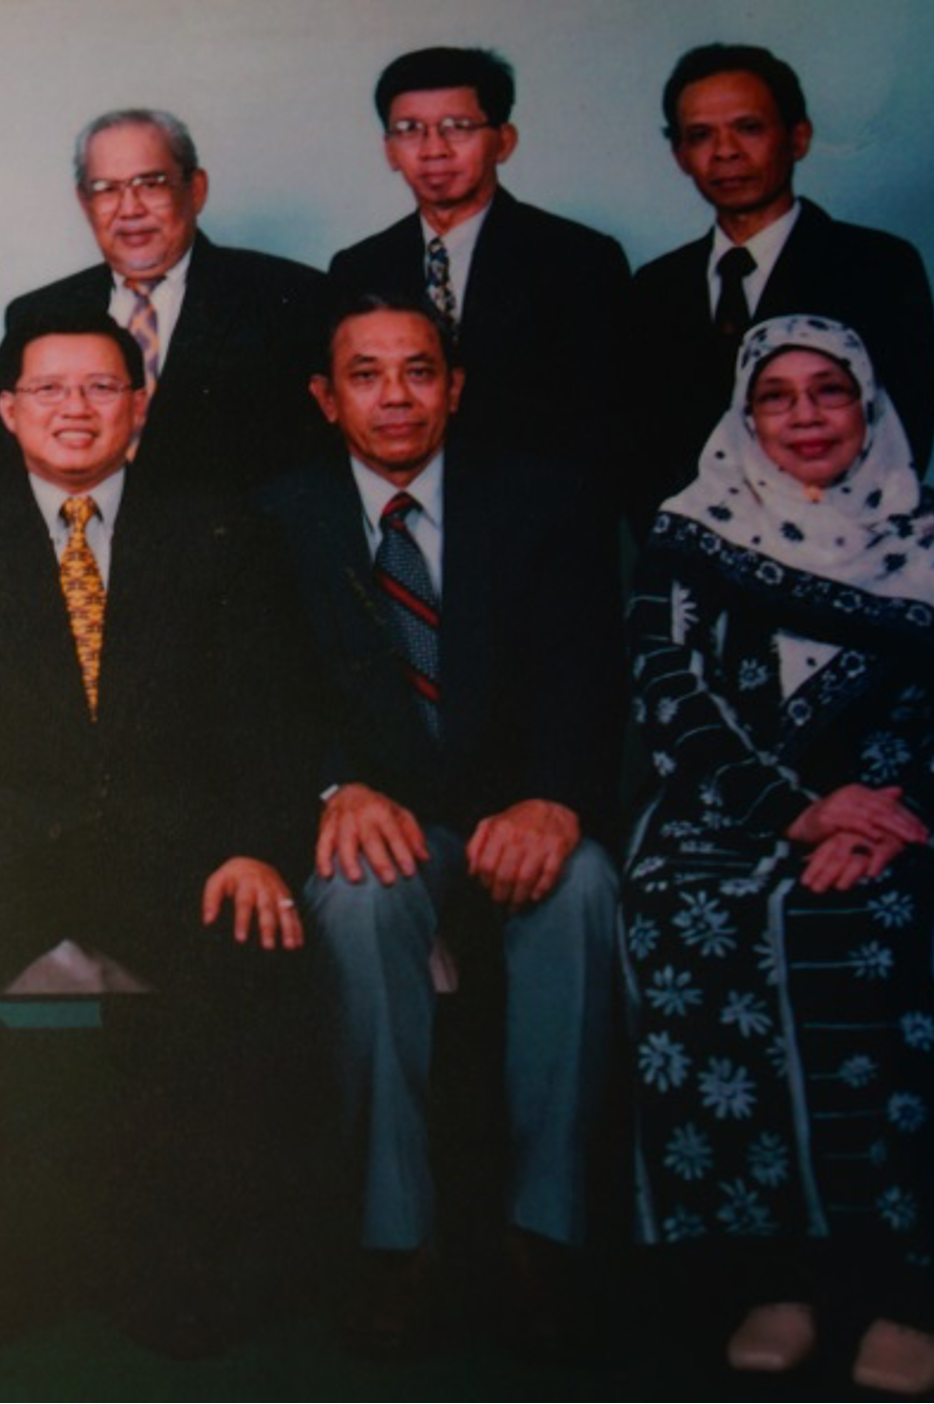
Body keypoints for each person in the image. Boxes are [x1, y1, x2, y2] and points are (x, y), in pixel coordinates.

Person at [0, 307, 314, 1360]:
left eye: (100, 387)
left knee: (254, 962)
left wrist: (254, 845)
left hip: (173, 846)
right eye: (48, 389)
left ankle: (174, 1267)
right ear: (8, 412)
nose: (74, 409)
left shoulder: (215, 527)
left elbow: (268, 709)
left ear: (140, 406)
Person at [258, 293, 622, 1360]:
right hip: (376, 820)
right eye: (364, 375)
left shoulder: (544, 501)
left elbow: (590, 673)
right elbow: (257, 692)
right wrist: (332, 788)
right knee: (357, 902)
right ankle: (394, 1239)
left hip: (516, 810)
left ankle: (544, 1232)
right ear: (325, 398)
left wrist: (552, 796)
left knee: (585, 888)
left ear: (454, 388)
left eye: (418, 371)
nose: (395, 397)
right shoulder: (275, 515)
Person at [622, 315, 934, 1396]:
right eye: (776, 396)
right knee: (683, 909)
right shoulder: (690, 529)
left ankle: (901, 1285)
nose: (805, 417)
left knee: (884, 919)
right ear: (744, 414)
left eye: (829, 392)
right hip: (731, 809)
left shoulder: (933, 534)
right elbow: (670, 691)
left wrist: (894, 811)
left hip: (901, 816)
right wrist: (796, 812)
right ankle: (777, 1276)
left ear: (868, 405)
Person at [629, 43, 934, 528]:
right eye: (701, 135)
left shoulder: (877, 266)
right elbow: (639, 447)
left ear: (798, 138)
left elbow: (903, 435)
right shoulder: (656, 286)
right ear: (680, 155)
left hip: (837, 552)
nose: (725, 151)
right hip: (688, 557)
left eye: (748, 128)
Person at [328, 46, 630, 479]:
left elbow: (603, 421)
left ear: (504, 142)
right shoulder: (358, 267)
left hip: (533, 500)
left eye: (457, 127)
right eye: (410, 130)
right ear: (389, 150)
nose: (434, 149)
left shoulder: (579, 259)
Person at [2, 109, 334, 495]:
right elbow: (3, 471)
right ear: (84, 202)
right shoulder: (37, 312)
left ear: (196, 190)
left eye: (151, 184)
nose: (130, 209)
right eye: (106, 189)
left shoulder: (292, 298)